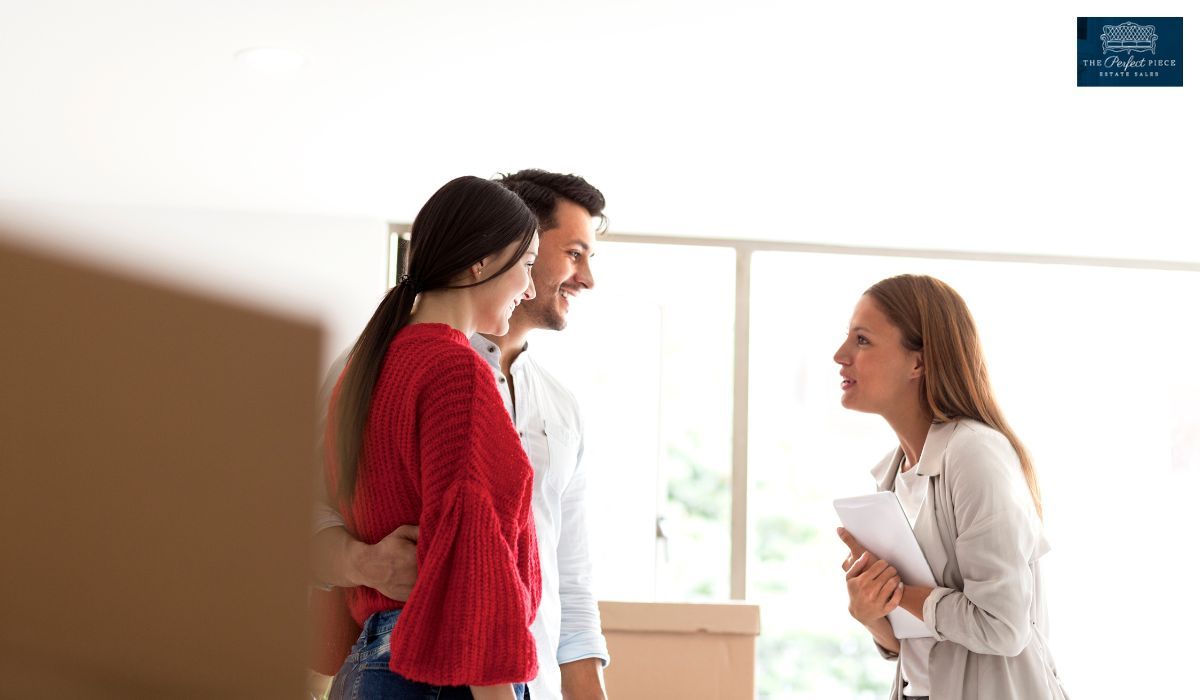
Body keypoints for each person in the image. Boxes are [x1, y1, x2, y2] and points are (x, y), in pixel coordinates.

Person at [313, 169, 610, 700]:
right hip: (451, 671)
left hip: (396, 666)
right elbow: (476, 559)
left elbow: (571, 577)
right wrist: (363, 563)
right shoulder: (452, 371)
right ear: (487, 258)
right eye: (571, 253)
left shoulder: (385, 361)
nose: (587, 278)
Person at [832, 274, 1069, 700]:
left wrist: (900, 592)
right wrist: (871, 612)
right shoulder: (895, 474)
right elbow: (917, 643)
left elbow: (1003, 624)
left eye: (862, 340)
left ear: (918, 362)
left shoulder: (975, 453)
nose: (840, 355)